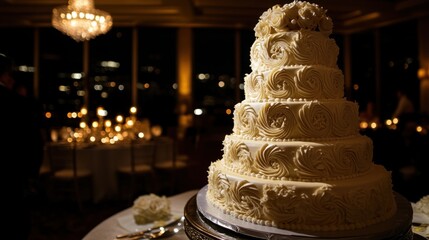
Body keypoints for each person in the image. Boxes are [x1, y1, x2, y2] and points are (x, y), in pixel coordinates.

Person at [0, 53, 44, 239]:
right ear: (6, 74)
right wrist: (32, 174)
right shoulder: (17, 103)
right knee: (13, 223)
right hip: (11, 173)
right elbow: (33, 141)